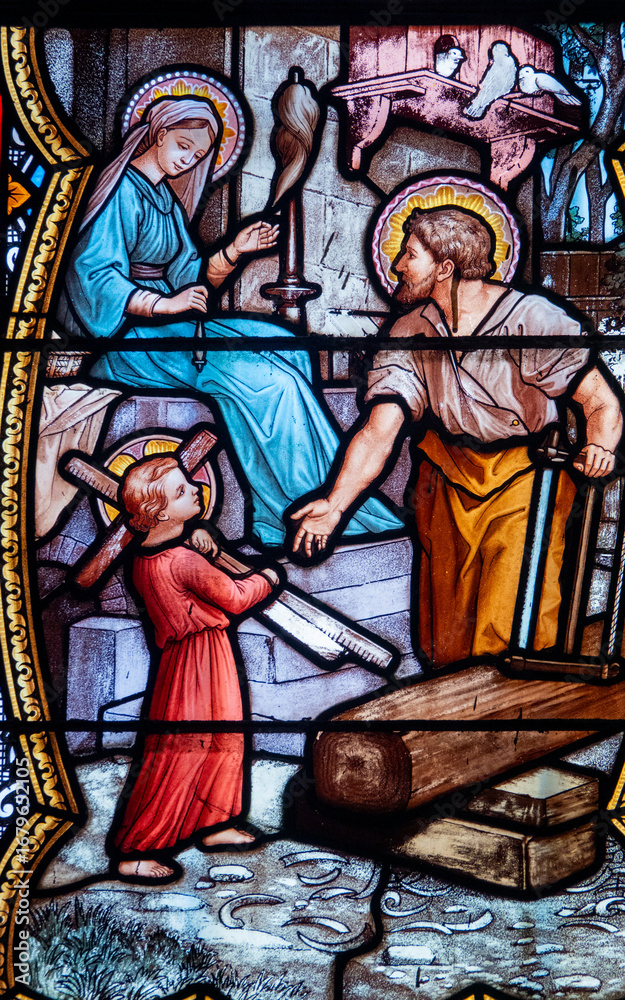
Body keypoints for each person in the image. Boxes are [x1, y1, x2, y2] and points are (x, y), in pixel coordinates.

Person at [57, 94, 401, 547]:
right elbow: (94, 278)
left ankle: (297, 501)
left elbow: (189, 280)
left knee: (286, 344)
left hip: (171, 329)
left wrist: (234, 250)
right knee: (271, 383)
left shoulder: (163, 199)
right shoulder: (121, 190)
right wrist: (165, 307)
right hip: (130, 339)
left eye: (197, 155)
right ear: (158, 134)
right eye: (183, 145)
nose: (187, 160)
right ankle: (294, 513)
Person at [291, 207, 623, 668]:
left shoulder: (528, 317)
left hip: (527, 480)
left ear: (445, 267)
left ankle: (505, 725)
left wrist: (601, 446)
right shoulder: (410, 331)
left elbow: (600, 401)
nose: (397, 266)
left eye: (410, 254)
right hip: (446, 483)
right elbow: (378, 431)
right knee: (445, 639)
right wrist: (335, 504)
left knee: (506, 627)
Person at [109, 454, 279, 880]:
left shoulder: (148, 557)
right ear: (160, 511)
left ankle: (213, 821)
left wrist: (202, 538)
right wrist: (270, 578)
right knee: (180, 751)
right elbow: (236, 598)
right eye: (182, 491)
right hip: (198, 661)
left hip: (187, 659)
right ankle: (138, 848)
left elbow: (187, 563)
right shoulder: (183, 561)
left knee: (224, 738)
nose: (196, 489)